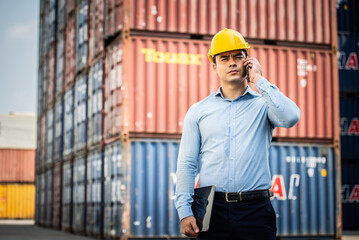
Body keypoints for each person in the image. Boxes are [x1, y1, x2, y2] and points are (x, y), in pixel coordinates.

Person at [174, 28, 300, 240]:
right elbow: (187, 163)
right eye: (224, 58)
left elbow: (291, 117)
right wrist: (184, 211)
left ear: (247, 61)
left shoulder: (264, 106)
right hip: (211, 211)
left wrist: (259, 79)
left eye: (237, 57)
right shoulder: (198, 111)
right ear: (214, 66)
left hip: (256, 211)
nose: (232, 63)